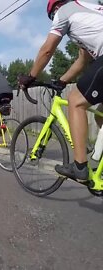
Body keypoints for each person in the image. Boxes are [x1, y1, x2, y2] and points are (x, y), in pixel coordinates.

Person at [18, 0, 103, 181]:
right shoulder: (90, 10)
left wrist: (31, 76)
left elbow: (47, 50)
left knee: (75, 101)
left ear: (54, 10)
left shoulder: (62, 12)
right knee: (100, 114)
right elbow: (83, 59)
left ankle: (80, 166)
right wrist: (62, 81)